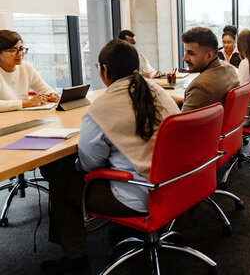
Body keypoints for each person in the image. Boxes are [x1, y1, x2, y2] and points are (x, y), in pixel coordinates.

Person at [40, 39, 180, 274]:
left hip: (140, 195)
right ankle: (131, 229)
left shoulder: (101, 107)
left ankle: (75, 260)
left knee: (59, 174)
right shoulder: (158, 91)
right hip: (176, 185)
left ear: (104, 70)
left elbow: (89, 164)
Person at [178, 27, 239, 112]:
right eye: (186, 52)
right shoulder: (229, 69)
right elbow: (204, 101)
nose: (184, 58)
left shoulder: (199, 86)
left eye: (191, 53)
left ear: (209, 56)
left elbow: (182, 123)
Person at [0, 29, 60, 112]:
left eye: (21, 48)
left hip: (21, 116)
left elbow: (45, 89)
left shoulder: (26, 67)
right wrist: (28, 103)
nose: (20, 54)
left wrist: (52, 94)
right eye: (13, 50)